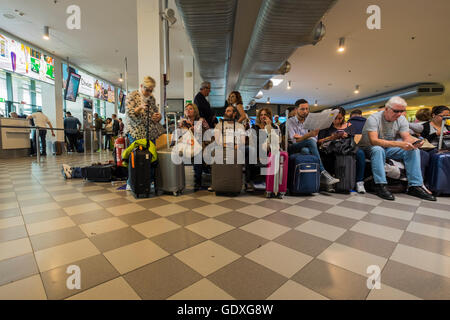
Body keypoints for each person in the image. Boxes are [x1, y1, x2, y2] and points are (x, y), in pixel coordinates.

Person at [359, 96, 435, 201]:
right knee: (378, 149)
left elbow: (406, 137)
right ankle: (380, 185)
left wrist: (415, 142)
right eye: (396, 111)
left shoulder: (401, 119)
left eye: (402, 111)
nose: (399, 114)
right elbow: (374, 141)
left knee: (414, 150)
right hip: (369, 148)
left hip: (388, 147)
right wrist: (399, 144)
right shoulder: (374, 118)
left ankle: (415, 186)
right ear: (386, 109)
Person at [287, 99, 339, 186]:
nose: (305, 111)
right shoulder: (290, 121)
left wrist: (302, 137)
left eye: (307, 109)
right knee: (309, 141)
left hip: (307, 147)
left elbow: (314, 140)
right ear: (296, 110)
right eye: (302, 109)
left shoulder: (312, 121)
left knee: (306, 151)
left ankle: (312, 181)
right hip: (293, 147)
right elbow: (294, 140)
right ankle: (323, 172)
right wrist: (308, 135)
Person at [124, 76, 164, 191]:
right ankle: (131, 181)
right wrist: (139, 108)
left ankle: (149, 180)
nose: (149, 93)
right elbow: (129, 114)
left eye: (151, 90)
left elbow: (155, 113)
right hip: (135, 131)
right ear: (141, 86)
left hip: (149, 132)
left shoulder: (151, 99)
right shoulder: (132, 96)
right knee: (135, 157)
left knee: (150, 156)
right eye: (147, 90)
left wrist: (158, 116)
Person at [318, 107, 366, 193]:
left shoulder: (349, 126)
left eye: (339, 118)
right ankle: (329, 182)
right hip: (331, 148)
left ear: (344, 117)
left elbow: (353, 140)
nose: (336, 121)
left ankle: (359, 182)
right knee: (328, 155)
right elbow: (319, 141)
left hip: (346, 147)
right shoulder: (326, 126)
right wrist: (332, 137)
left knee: (360, 153)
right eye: (334, 118)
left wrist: (347, 135)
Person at [245, 108, 280, 192]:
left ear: (269, 116)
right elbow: (253, 141)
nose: (263, 116)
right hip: (256, 150)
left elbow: (276, 141)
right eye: (261, 115)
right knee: (250, 151)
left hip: (270, 151)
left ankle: (270, 182)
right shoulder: (255, 127)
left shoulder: (274, 127)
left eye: (265, 114)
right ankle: (249, 181)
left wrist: (268, 126)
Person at [179, 103, 210, 191]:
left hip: (200, 145)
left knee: (198, 154)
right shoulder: (184, 121)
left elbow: (208, 132)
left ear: (195, 111)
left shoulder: (201, 120)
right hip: (187, 145)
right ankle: (177, 180)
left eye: (190, 109)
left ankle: (198, 181)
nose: (188, 110)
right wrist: (181, 127)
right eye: (186, 109)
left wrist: (194, 128)